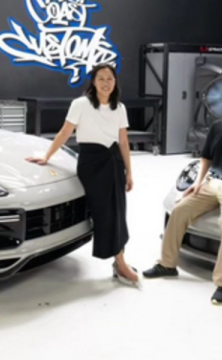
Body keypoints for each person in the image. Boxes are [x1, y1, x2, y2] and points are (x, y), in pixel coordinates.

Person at [142, 81, 222, 305]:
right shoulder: (217, 127)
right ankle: (167, 264)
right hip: (212, 183)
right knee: (179, 210)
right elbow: (206, 158)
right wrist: (198, 183)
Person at [26, 63, 140, 287]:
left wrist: (129, 172)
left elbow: (123, 141)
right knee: (104, 212)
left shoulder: (119, 108)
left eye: (110, 78)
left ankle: (120, 261)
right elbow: (65, 132)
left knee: (118, 212)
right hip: (92, 163)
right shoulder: (81, 104)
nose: (106, 83)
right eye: (101, 78)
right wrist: (47, 156)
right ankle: (119, 261)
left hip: (114, 162)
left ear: (115, 82)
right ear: (93, 82)